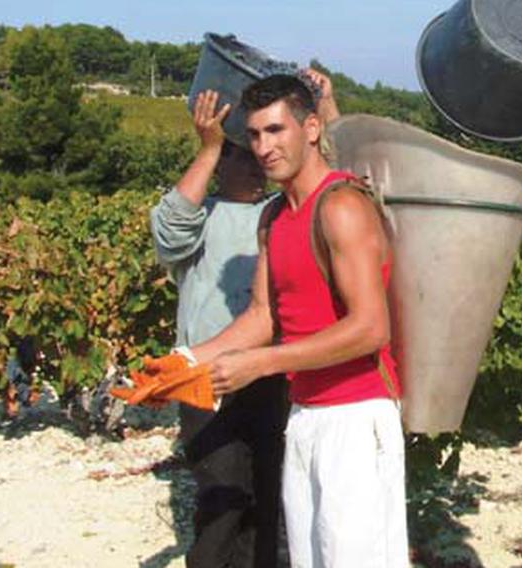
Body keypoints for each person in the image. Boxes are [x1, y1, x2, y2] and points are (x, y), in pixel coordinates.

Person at [179, 74, 408, 568]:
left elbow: (372, 328)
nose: (263, 147)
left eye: (276, 131)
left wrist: (260, 364)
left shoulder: (342, 206)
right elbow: (262, 316)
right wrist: (182, 362)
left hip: (354, 416)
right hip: (303, 415)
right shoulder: (274, 217)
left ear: (309, 128)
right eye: (255, 135)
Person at [150, 70, 340, 568]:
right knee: (223, 491)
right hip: (208, 378)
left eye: (264, 146)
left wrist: (327, 104)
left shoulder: (280, 214)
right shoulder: (203, 216)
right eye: (244, 151)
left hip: (272, 370)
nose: (257, 162)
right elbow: (167, 231)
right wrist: (209, 147)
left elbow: (341, 175)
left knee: (268, 491)